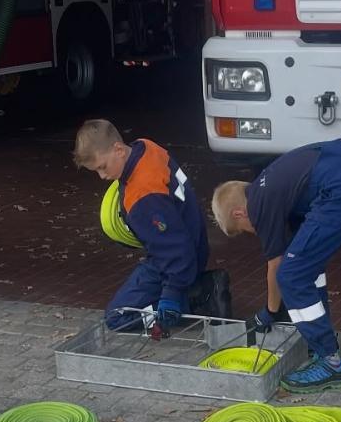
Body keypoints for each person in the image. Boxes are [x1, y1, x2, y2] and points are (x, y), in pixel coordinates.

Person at [211, 138, 341, 394]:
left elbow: (276, 265)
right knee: (306, 266)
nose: (252, 232)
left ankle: (331, 363)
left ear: (239, 213)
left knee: (291, 275)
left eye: (243, 229)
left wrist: (269, 311)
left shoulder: (258, 204)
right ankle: (321, 337)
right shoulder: (268, 184)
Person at [73, 118, 229, 330]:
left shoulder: (143, 197)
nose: (102, 176)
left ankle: (198, 297)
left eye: (103, 167)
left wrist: (171, 294)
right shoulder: (146, 147)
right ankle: (194, 288)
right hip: (195, 243)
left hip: (180, 260)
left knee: (117, 317)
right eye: (96, 171)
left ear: (118, 149)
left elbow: (174, 248)